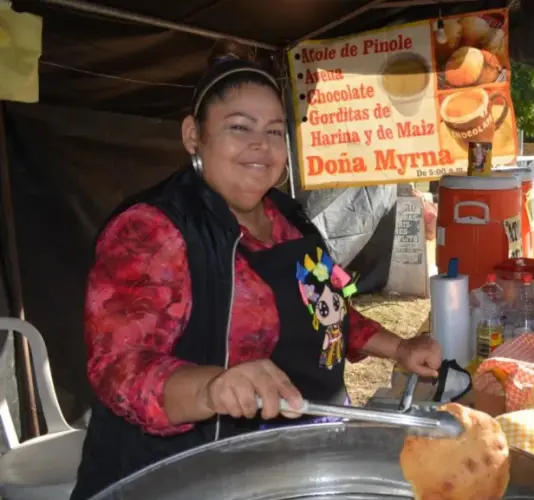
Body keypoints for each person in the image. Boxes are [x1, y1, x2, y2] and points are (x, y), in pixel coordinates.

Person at [71, 55, 442, 499]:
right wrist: (211, 387)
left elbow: (328, 313)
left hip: (290, 464)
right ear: (194, 135)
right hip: (179, 477)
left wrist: (401, 348)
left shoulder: (288, 217)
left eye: (273, 132)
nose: (260, 146)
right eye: (239, 127)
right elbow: (118, 369)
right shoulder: (152, 228)